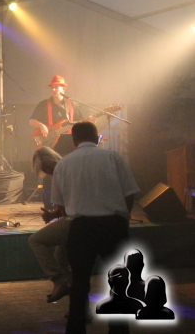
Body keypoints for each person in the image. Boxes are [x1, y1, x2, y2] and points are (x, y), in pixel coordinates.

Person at [51, 121, 139, 334]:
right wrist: (123, 219)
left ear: (74, 140)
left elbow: (60, 205)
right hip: (112, 225)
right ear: (97, 136)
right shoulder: (113, 157)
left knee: (79, 283)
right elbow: (129, 193)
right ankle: (119, 331)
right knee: (119, 282)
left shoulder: (63, 163)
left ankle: (75, 329)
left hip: (81, 228)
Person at [28, 147, 72, 304]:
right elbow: (66, 207)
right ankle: (77, 308)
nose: (47, 171)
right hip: (75, 220)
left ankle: (59, 280)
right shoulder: (67, 169)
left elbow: (66, 208)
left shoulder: (62, 173)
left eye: (47, 167)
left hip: (75, 222)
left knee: (35, 240)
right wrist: (53, 214)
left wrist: (56, 213)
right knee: (61, 262)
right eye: (44, 169)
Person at [29, 76, 94, 155]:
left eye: (56, 87)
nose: (53, 90)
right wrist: (41, 126)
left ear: (63, 88)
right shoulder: (43, 104)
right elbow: (31, 121)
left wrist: (89, 122)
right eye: (52, 87)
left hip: (69, 143)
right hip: (50, 144)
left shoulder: (72, 104)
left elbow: (81, 121)